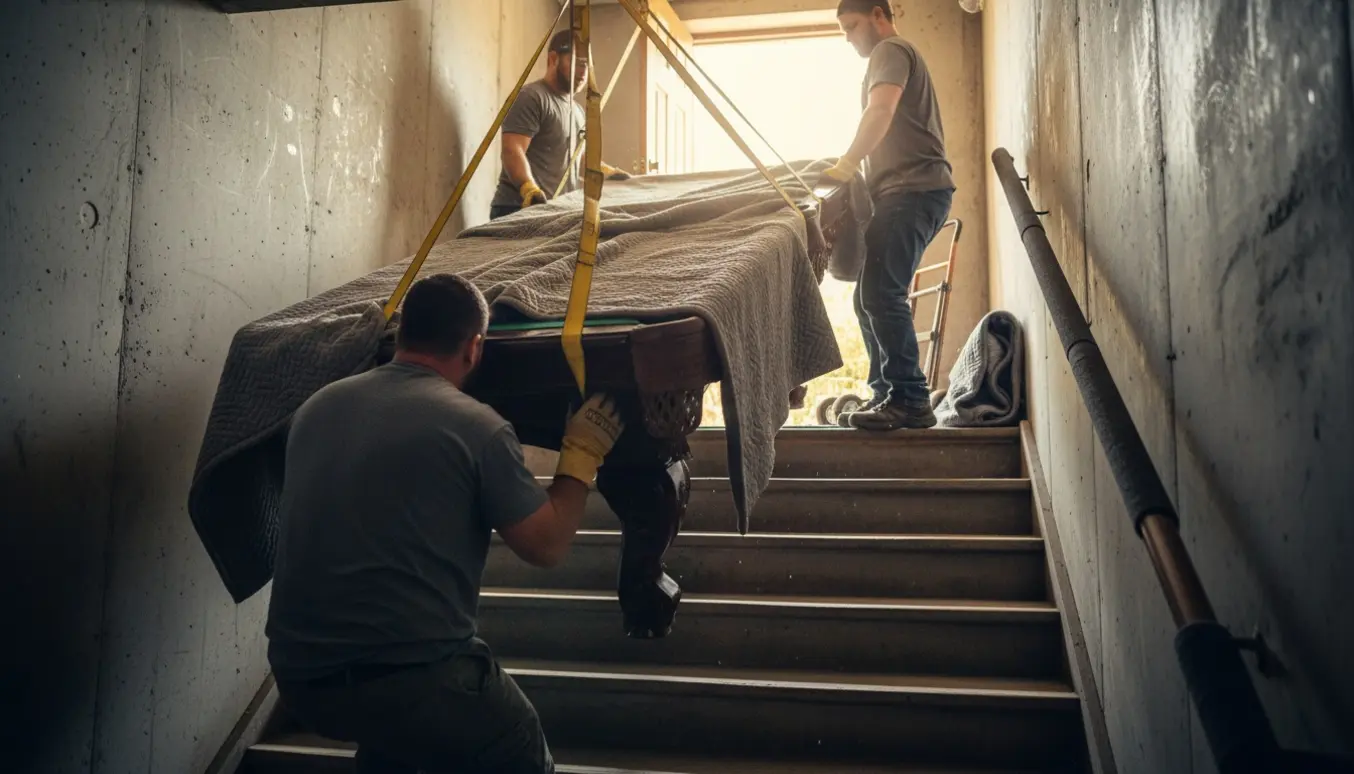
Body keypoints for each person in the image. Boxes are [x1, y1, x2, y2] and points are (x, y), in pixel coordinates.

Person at [263, 273, 624, 774]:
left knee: (400, 749)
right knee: (518, 747)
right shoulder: (477, 426)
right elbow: (546, 544)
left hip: (300, 679)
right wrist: (582, 455)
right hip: (412, 682)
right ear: (475, 348)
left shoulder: (314, 409)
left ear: (403, 332)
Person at [821, 0, 956, 431]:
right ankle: (885, 393)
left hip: (913, 191)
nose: (847, 37)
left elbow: (880, 110)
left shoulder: (890, 51)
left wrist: (846, 162)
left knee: (881, 294)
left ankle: (910, 398)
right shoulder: (893, 55)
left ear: (880, 14)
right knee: (868, 298)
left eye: (852, 25)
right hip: (908, 192)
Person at [490, 29, 631, 221]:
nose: (583, 72)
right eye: (577, 63)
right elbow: (512, 149)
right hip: (516, 209)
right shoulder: (532, 97)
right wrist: (528, 188)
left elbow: (577, 160)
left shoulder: (579, 112)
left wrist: (605, 172)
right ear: (553, 59)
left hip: (553, 213)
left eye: (587, 65)